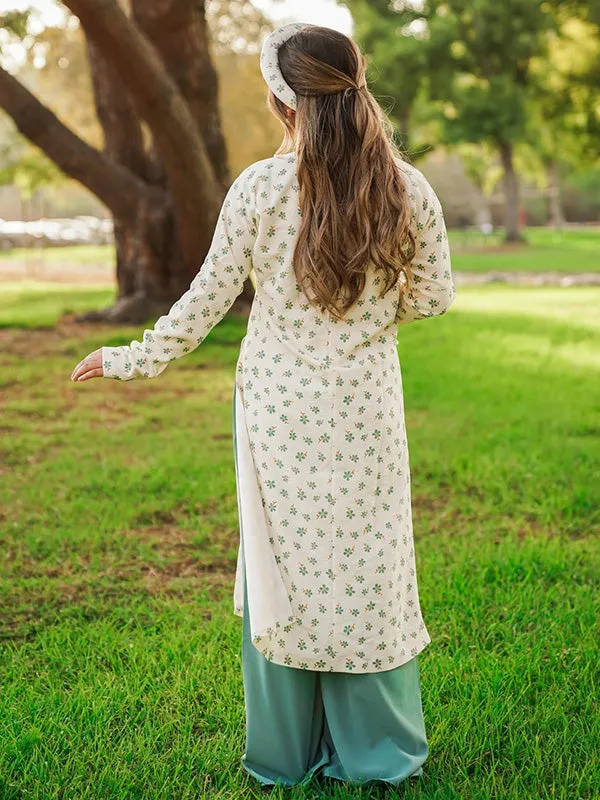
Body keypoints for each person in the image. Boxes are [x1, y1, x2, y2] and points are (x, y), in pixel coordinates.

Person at [71, 22, 455, 789]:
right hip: (365, 406)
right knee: (366, 563)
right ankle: (380, 751)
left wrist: (127, 358)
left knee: (285, 567)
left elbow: (204, 302)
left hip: (277, 410)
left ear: (285, 105)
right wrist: (373, 324)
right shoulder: (407, 187)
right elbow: (437, 297)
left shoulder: (258, 189)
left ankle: (286, 750)